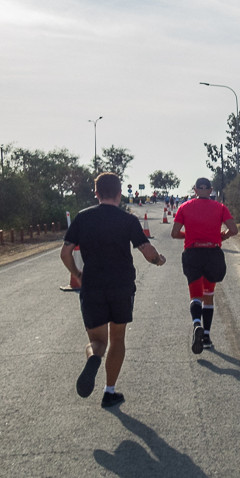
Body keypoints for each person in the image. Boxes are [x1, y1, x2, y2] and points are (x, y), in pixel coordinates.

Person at [61, 172, 166, 408]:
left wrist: (78, 274)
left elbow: (65, 253)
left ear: (96, 193)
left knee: (98, 342)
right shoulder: (127, 220)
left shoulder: (82, 218)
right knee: (117, 338)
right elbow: (147, 252)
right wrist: (159, 260)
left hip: (93, 287)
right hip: (121, 286)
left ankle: (92, 358)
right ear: (119, 193)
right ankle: (110, 392)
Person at [171, 177, 238, 354]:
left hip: (193, 253)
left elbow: (174, 233)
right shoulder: (220, 208)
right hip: (212, 253)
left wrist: (191, 235)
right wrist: (222, 236)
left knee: (195, 295)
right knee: (209, 294)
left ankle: (196, 324)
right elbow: (234, 230)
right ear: (210, 190)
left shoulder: (184, 207)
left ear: (195, 190)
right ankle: (206, 336)